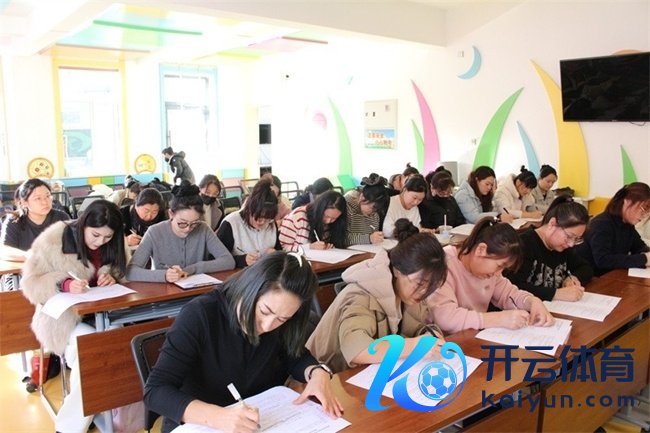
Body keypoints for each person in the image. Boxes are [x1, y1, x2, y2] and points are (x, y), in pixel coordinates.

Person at [144, 251, 343, 433]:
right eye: (264, 311)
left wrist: (316, 372)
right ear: (250, 288)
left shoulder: (281, 315)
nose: (267, 326)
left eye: (282, 319)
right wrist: (218, 417)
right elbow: (156, 391)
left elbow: (294, 355)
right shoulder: (200, 315)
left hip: (259, 420)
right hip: (199, 424)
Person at [21, 200, 128, 433]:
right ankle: (72, 426)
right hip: (63, 320)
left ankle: (79, 420)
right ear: (83, 224)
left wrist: (112, 276)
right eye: (95, 235)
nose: (100, 242)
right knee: (91, 350)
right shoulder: (54, 239)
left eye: (108, 237)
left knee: (114, 345)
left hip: (105, 314)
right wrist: (64, 284)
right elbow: (30, 283)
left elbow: (122, 270)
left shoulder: (115, 242)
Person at [306, 219, 447, 373]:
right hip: (325, 377)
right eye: (420, 284)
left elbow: (417, 328)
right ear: (398, 270)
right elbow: (357, 351)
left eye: (430, 287)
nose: (424, 292)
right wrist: (414, 346)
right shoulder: (362, 293)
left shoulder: (410, 293)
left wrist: (430, 334)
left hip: (371, 375)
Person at [426, 217, 555, 333]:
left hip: (472, 337)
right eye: (499, 265)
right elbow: (445, 318)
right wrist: (497, 319)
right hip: (444, 343)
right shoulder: (442, 264)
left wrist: (532, 301)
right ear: (481, 250)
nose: (499, 273)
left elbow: (509, 294)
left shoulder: (490, 272)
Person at [126, 184, 234, 282]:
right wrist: (164, 275)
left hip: (198, 290)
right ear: (171, 214)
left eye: (194, 223)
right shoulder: (154, 232)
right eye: (182, 223)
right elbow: (131, 272)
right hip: (166, 293)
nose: (188, 228)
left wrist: (192, 269)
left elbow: (228, 261)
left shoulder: (203, 229)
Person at [505, 196, 593, 301]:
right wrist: (556, 294)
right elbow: (512, 286)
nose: (571, 244)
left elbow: (585, 267)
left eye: (577, 239)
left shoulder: (563, 247)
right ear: (552, 224)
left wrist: (573, 278)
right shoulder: (524, 245)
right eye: (569, 236)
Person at [576, 182, 650, 276]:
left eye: (648, 211)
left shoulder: (627, 225)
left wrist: (646, 254)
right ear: (627, 201)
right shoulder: (602, 224)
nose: (645, 215)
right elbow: (603, 260)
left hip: (611, 276)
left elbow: (640, 247)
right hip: (592, 279)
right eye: (644, 209)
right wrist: (644, 259)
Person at [217, 178, 280, 268]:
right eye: (259, 218)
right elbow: (217, 259)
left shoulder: (271, 224)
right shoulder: (231, 223)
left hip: (264, 272)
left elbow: (279, 250)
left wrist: (275, 254)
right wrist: (242, 260)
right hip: (238, 273)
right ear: (249, 209)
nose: (263, 222)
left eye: (268, 219)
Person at [1, 178, 69, 251]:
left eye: (48, 196)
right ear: (24, 202)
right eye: (38, 198)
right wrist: (29, 255)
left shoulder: (61, 218)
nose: (45, 202)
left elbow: (71, 247)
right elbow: (6, 250)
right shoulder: (14, 220)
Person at [279, 190, 346, 252]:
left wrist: (328, 247)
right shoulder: (298, 217)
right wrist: (309, 247)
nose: (328, 221)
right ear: (319, 208)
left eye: (334, 218)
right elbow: (283, 249)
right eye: (326, 216)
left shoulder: (335, 224)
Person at [343, 173, 389, 246]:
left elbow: (373, 238)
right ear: (362, 197)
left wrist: (377, 237)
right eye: (373, 208)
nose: (373, 213)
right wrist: (369, 238)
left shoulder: (375, 215)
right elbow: (341, 238)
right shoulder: (346, 208)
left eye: (377, 210)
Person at [382, 174, 427, 239]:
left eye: (420, 200)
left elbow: (417, 227)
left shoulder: (414, 208)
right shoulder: (391, 203)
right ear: (405, 190)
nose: (416, 202)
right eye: (414, 198)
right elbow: (387, 231)